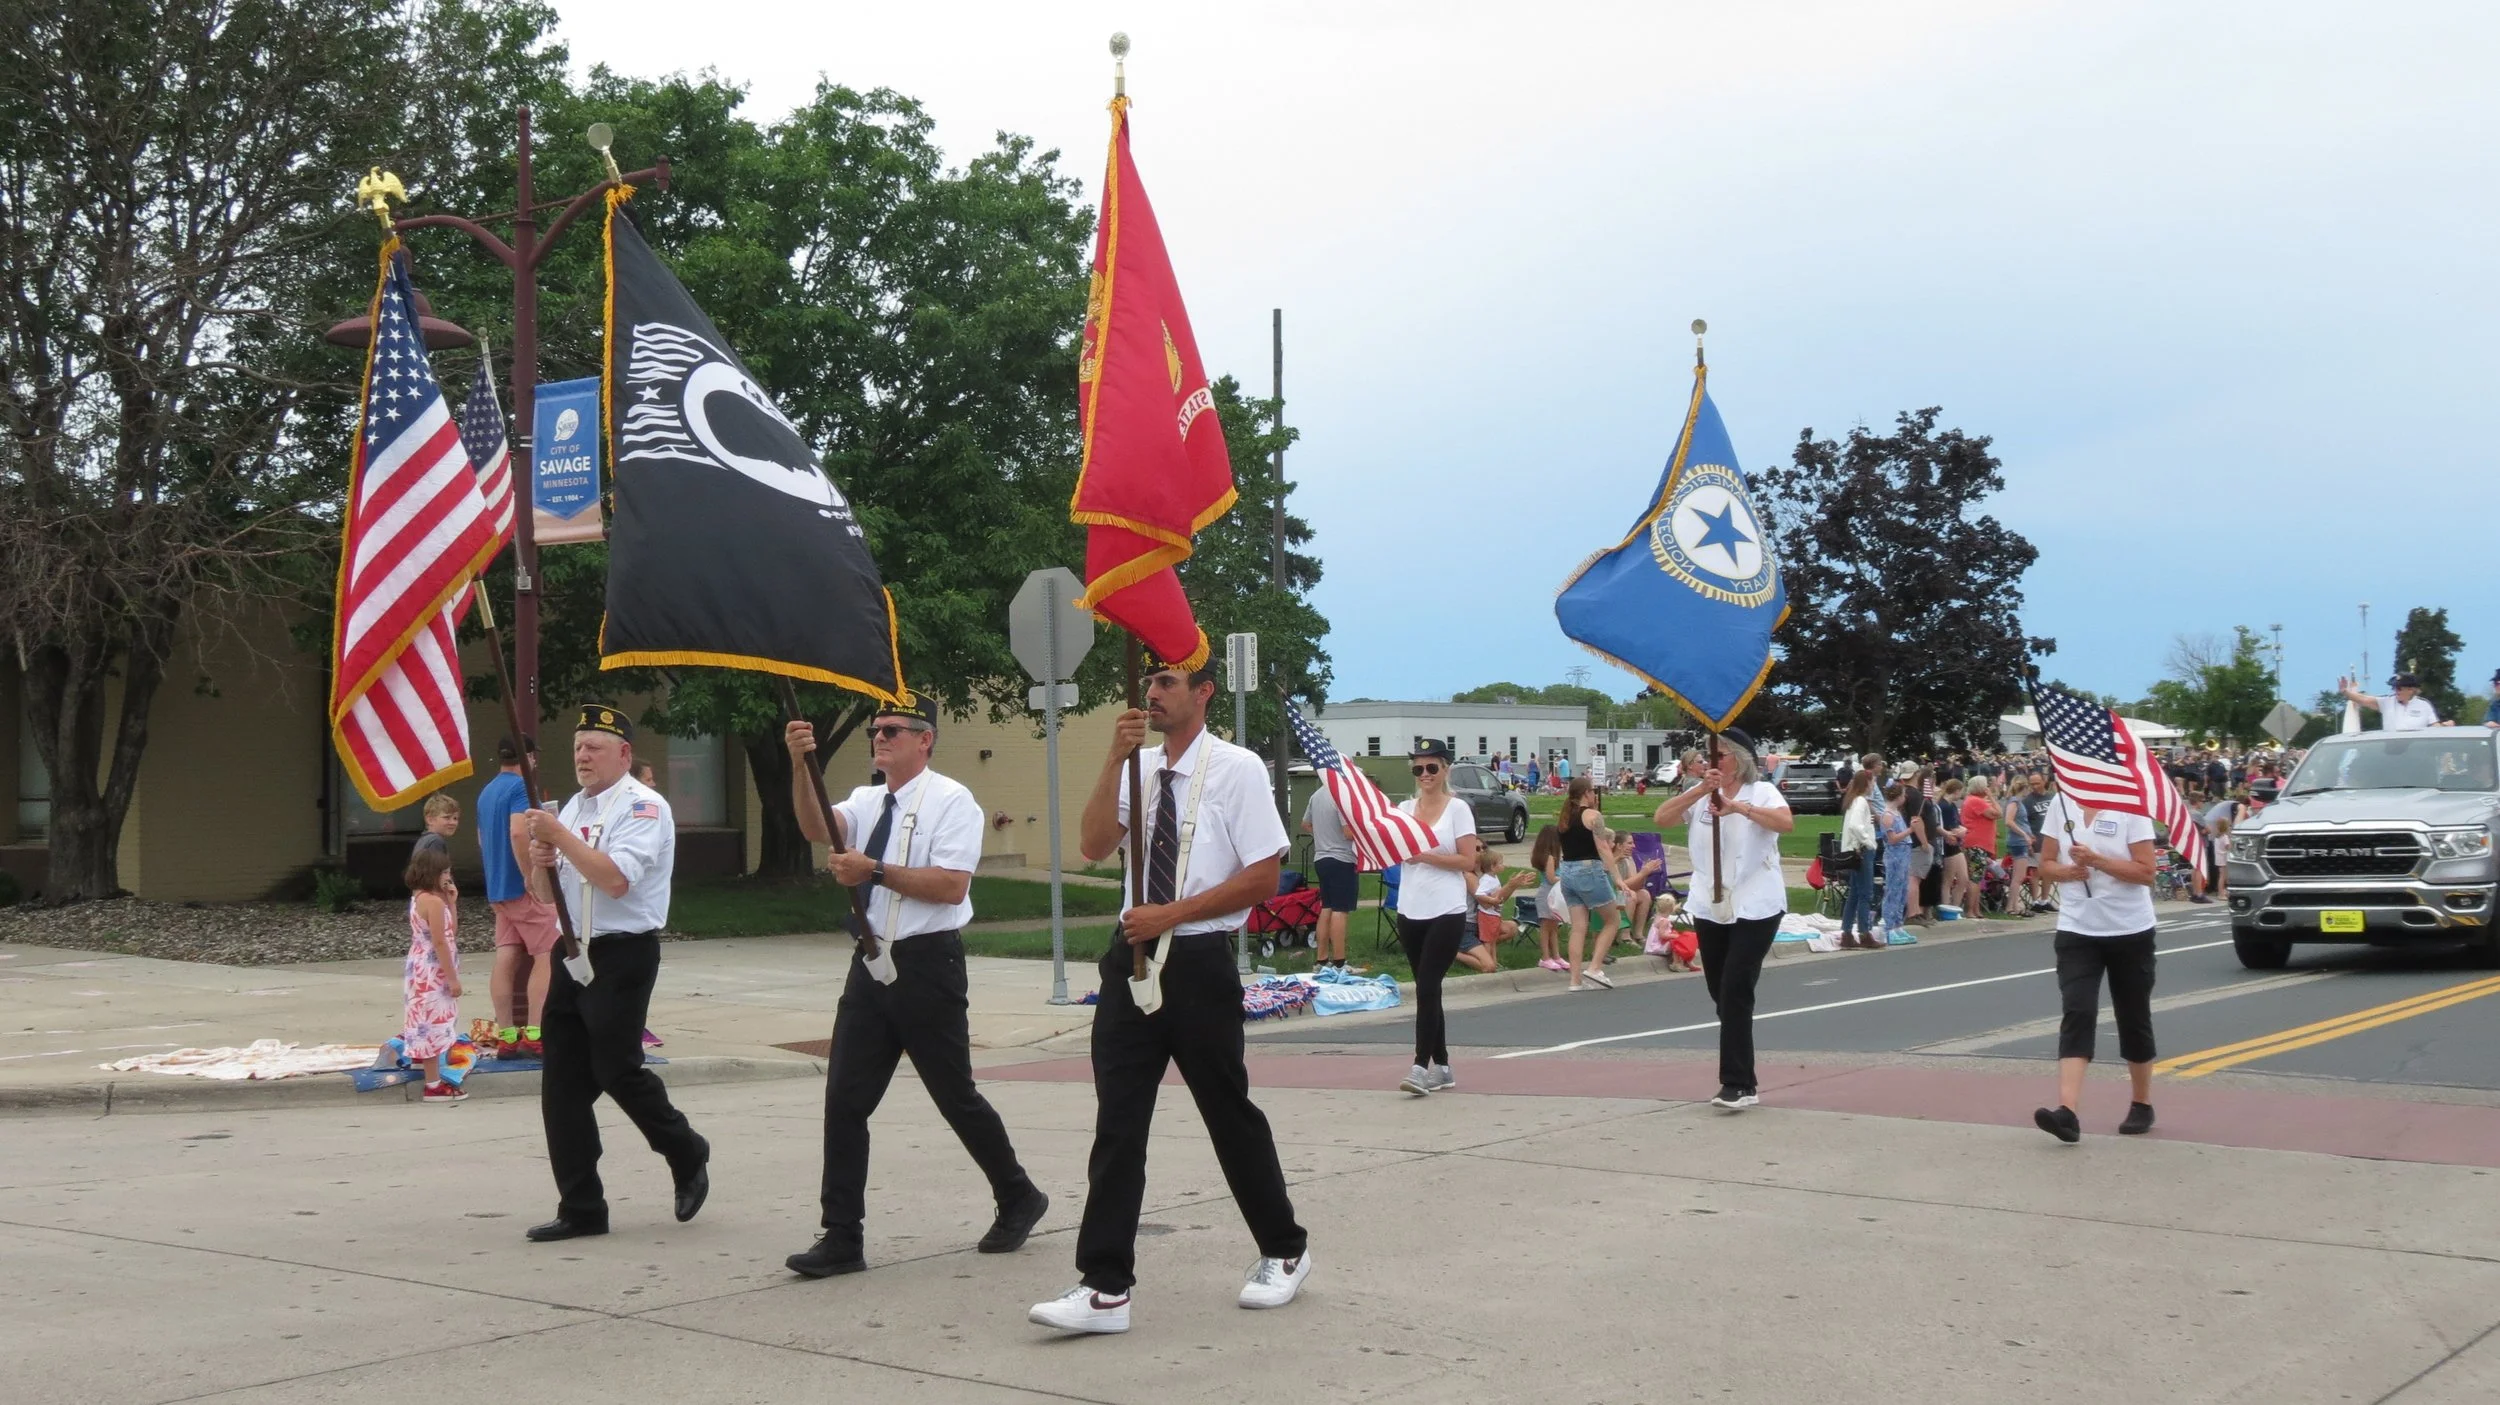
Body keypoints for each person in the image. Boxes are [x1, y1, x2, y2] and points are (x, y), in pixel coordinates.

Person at [1030, 654, 1308, 1335]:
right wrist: (1112, 758)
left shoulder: (1237, 768)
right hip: (1130, 958)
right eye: (1149, 680)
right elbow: (1095, 844)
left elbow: (1264, 877)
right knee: (1119, 1122)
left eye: (1167, 682)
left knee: (1227, 1112)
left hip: (1198, 959)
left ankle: (1285, 1247)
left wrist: (1172, 914)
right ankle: (1104, 1286)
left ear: (1204, 692)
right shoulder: (1141, 768)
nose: (1152, 692)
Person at [780, 697, 1048, 1279]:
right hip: (870, 961)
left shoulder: (952, 801)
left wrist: (872, 871)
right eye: (876, 730)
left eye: (893, 730)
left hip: (928, 964)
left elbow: (951, 886)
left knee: (956, 1096)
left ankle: (1018, 1194)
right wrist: (802, 764)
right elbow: (814, 825)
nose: (880, 738)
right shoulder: (867, 800)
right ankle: (841, 1236)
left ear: (925, 740)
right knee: (844, 1101)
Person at [519, 703, 710, 1243]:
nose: (582, 754)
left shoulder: (644, 807)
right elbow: (540, 894)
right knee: (561, 1084)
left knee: (617, 1068)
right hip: (570, 949)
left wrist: (560, 839)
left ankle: (685, 1147)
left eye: (595, 746)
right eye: (578, 746)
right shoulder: (572, 809)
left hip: (622, 953)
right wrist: (540, 858)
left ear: (624, 754)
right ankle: (581, 1206)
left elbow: (616, 880)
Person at [1652, 731, 1793, 1110]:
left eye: (1722, 754)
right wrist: (1700, 791)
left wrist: (1737, 808)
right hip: (1709, 902)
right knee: (1721, 991)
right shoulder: (1698, 795)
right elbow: (1662, 818)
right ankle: (1743, 1071)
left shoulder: (1760, 792)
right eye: (1707, 756)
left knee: (1735, 987)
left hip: (1755, 902)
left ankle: (1737, 1083)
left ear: (1741, 759)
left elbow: (1785, 823)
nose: (1712, 761)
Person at [2030, 779, 2162, 1143]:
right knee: (2078, 1010)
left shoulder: (2129, 804)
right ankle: (2067, 1112)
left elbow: (2146, 871)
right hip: (2077, 929)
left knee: (2133, 1015)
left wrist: (2098, 861)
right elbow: (2045, 864)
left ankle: (2141, 1102)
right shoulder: (2062, 803)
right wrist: (2067, 872)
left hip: (2129, 929)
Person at [1390, 739, 1479, 1096]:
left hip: (1447, 908)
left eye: (1431, 768)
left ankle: (1419, 1066)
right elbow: (1394, 846)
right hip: (1411, 908)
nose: (1424, 775)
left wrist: (1425, 856)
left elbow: (1467, 861)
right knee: (1430, 990)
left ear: (1445, 769)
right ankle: (1443, 1065)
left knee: (1427, 986)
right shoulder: (1404, 807)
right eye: (1418, 768)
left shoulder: (1458, 809)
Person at [476, 736, 558, 1057]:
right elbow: (518, 831)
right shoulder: (521, 789)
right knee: (547, 955)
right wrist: (528, 874)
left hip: (497, 889)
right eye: (533, 756)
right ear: (527, 758)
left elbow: (483, 839)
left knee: (506, 957)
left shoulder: (486, 792)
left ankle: (507, 1034)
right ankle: (536, 1033)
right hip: (521, 888)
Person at [402, 844, 466, 1103]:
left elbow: (452, 930)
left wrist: (453, 903)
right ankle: (433, 1083)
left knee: (422, 1019)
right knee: (434, 1024)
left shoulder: (420, 898)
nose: (447, 878)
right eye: (444, 873)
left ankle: (426, 1068)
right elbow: (441, 941)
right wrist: (452, 978)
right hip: (434, 970)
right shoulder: (433, 903)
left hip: (419, 967)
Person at [1555, 777, 1621, 992]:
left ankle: (1575, 980)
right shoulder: (1593, 816)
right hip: (1588, 870)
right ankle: (1594, 967)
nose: (1594, 795)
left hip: (1567, 872)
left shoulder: (1564, 818)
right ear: (1585, 793)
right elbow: (1603, 847)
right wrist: (1618, 878)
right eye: (1593, 791)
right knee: (1613, 920)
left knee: (1578, 927)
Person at [1301, 786, 1358, 972]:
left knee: (1327, 907)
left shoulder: (1316, 794)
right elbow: (1347, 832)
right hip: (1342, 859)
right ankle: (1340, 961)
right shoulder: (1342, 796)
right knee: (1340, 910)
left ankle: (1321, 960)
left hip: (1321, 858)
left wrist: (1322, 836)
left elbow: (1305, 824)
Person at [1461, 848, 1533, 975]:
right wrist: (1509, 885)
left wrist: (1514, 885)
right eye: (1477, 848)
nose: (1482, 851)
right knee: (1489, 967)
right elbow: (1486, 903)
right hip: (1468, 926)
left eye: (1484, 848)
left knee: (1511, 928)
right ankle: (1453, 953)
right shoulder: (1469, 876)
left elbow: (1500, 899)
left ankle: (1483, 953)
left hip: (1481, 921)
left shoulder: (1487, 876)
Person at [1836, 770, 1880, 948]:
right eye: (1873, 781)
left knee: (1854, 893)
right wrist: (1868, 841)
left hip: (1854, 851)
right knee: (1865, 893)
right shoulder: (1861, 801)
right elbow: (1856, 825)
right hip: (1862, 851)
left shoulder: (1853, 800)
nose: (1874, 785)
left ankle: (1847, 932)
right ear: (1867, 782)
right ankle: (1864, 932)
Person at [1877, 782, 1915, 945]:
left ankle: (1898, 923)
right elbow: (1892, 839)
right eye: (1903, 794)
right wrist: (1909, 831)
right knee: (1893, 890)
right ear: (1898, 796)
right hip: (1895, 856)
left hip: (1904, 854)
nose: (1904, 797)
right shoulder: (1888, 815)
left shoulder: (1896, 813)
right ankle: (1889, 926)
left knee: (1902, 890)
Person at [2340, 672, 2441, 731]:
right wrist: (2345, 692)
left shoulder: (2424, 705)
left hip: (2417, 753)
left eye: (2399, 688)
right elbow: (2364, 699)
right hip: (2391, 752)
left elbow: (2435, 727)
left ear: (2411, 689)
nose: (2396, 691)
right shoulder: (2387, 702)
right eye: (2394, 688)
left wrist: (2445, 727)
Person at [1609, 831, 1663, 941]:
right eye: (1629, 843)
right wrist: (1642, 873)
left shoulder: (1628, 859)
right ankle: (1624, 936)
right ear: (1619, 845)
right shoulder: (1610, 860)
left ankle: (1638, 934)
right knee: (1630, 895)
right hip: (1608, 896)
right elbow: (1618, 885)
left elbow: (1635, 885)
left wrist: (1644, 873)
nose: (1633, 846)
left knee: (1644, 894)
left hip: (1621, 894)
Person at [1526, 824, 1566, 971]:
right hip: (1548, 893)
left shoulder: (1554, 857)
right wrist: (1565, 879)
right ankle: (1545, 957)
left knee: (1554, 926)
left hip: (1554, 892)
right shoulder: (1550, 858)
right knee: (1546, 926)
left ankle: (1556, 955)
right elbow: (1550, 878)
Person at [1961, 778, 2001, 911]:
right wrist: (1991, 796)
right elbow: (1998, 813)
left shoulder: (1973, 800)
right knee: (1976, 878)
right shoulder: (1975, 801)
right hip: (1976, 843)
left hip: (1980, 844)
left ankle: (1976, 909)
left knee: (1978, 878)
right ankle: (1971, 910)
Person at [2000, 775, 2035, 918]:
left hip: (2022, 840)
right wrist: (2024, 834)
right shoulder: (2014, 802)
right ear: (2025, 788)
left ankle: (2013, 905)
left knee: (2018, 876)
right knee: (2018, 877)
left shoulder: (2018, 802)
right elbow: (2009, 821)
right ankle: (2012, 906)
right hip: (2018, 841)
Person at [1934, 779, 1971, 916]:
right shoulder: (1944, 806)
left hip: (1956, 843)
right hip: (1948, 844)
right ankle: (1946, 909)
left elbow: (1957, 823)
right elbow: (1945, 827)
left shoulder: (1952, 806)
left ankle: (1955, 907)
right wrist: (1958, 831)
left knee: (1963, 878)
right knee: (1948, 879)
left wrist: (1962, 829)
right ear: (1956, 791)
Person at [413, 791, 459, 858]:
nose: (453, 822)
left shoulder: (423, 840)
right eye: (447, 817)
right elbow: (435, 868)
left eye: (455, 818)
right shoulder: (435, 841)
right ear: (430, 820)